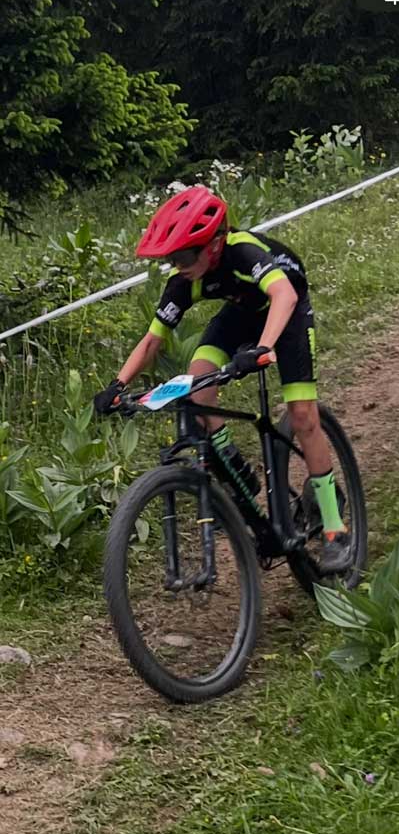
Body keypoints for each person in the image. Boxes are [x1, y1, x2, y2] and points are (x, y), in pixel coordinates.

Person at [94, 185, 351, 572]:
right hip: (242, 312)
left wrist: (262, 348)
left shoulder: (242, 251)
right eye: (171, 258)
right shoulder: (185, 279)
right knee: (197, 383)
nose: (178, 265)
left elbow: (284, 296)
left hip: (286, 311)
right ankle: (233, 465)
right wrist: (118, 386)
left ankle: (334, 529)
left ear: (214, 244)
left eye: (184, 256)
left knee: (302, 415)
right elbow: (152, 341)